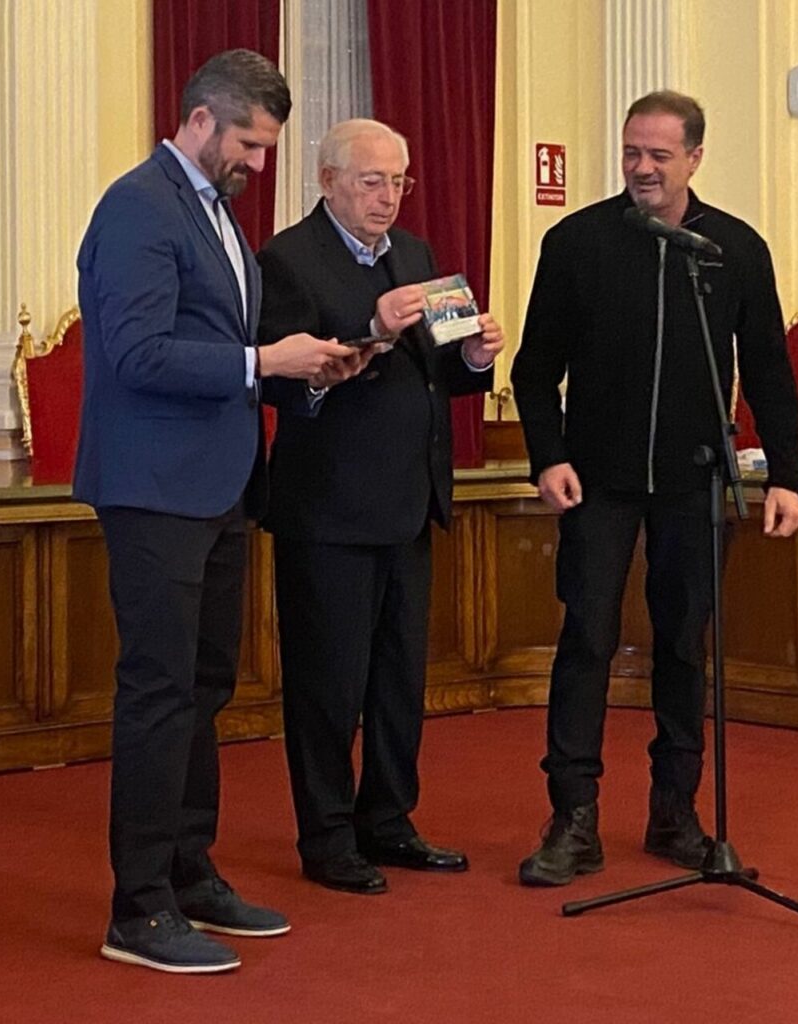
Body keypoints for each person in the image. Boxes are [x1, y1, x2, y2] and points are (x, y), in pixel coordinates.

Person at [74, 49, 366, 972]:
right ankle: (138, 907)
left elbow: (224, 345)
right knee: (159, 693)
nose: (258, 162)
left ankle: (190, 872)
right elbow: (136, 354)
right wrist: (263, 361)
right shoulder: (137, 207)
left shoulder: (216, 215)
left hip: (218, 486)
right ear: (199, 120)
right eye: (248, 142)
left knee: (204, 691)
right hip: (154, 488)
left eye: (268, 145)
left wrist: (304, 367)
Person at [511, 91, 798, 887]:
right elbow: (534, 370)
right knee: (588, 641)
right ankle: (572, 817)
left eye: (660, 156)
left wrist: (788, 475)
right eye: (632, 152)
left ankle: (676, 810)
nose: (642, 168)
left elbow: (771, 371)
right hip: (597, 483)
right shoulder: (577, 242)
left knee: (683, 647)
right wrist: (548, 456)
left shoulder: (733, 250)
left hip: (696, 481)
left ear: (696, 160)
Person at [257, 118, 505, 895]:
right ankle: (327, 837)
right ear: (328, 180)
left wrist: (473, 357)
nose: (388, 197)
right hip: (328, 509)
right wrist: (368, 329)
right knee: (328, 685)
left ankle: (389, 821)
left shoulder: (419, 256)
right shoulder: (287, 260)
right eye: (372, 181)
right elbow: (282, 382)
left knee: (399, 681)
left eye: (399, 181)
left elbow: (440, 374)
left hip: (409, 501)